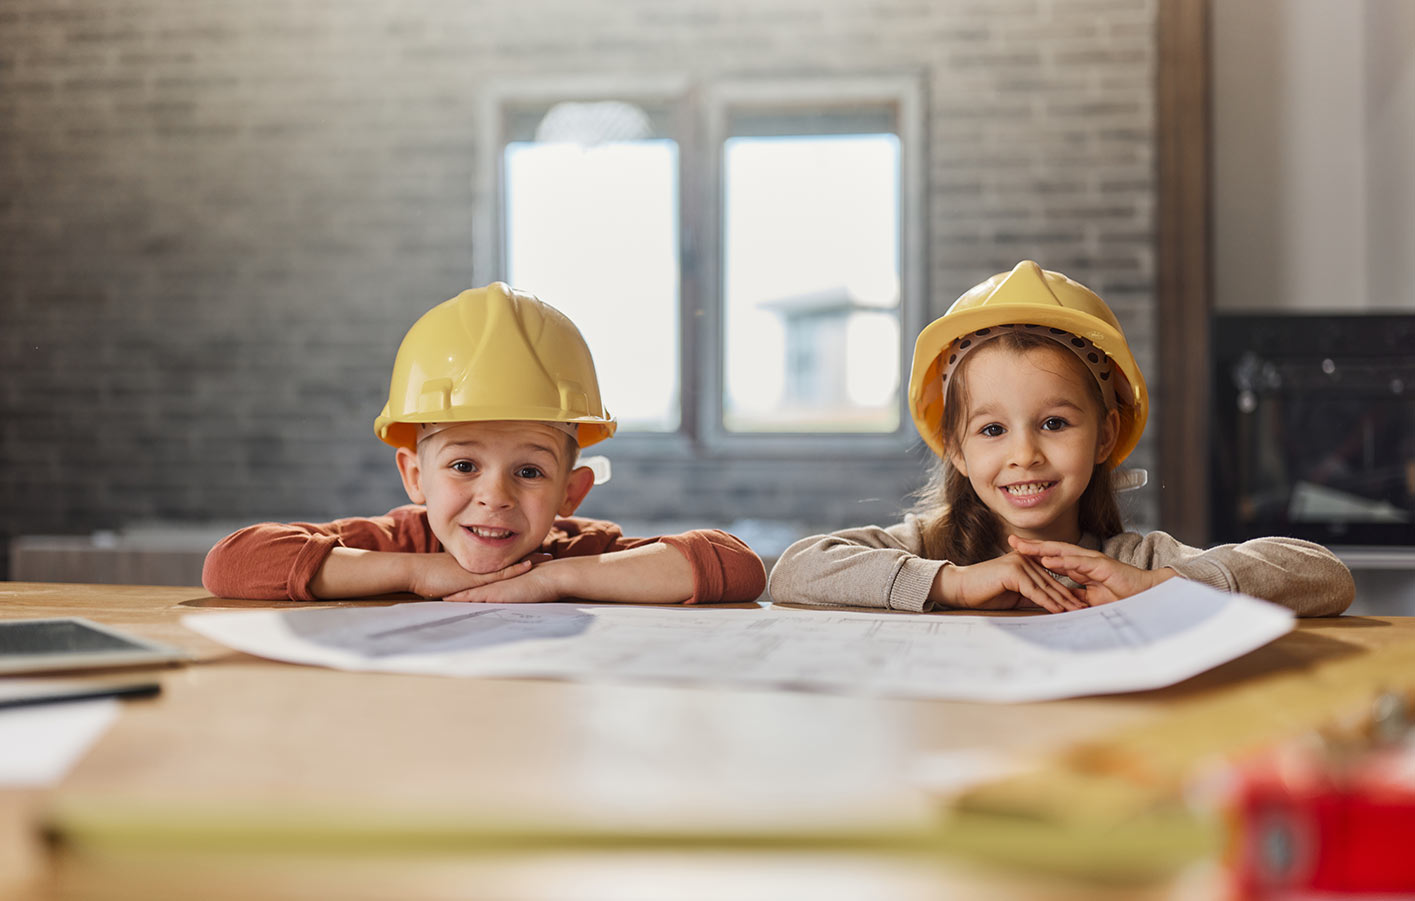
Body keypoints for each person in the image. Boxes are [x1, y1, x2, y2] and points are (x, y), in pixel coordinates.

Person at [768, 260, 1353, 616]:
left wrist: (1160, 586)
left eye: (1054, 423)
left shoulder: (1130, 562)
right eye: (992, 429)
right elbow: (794, 571)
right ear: (956, 448)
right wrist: (954, 583)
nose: (1025, 454)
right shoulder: (927, 547)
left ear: (1106, 436)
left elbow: (1324, 575)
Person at [203, 282, 767, 604]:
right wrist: (415, 573)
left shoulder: (575, 551)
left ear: (572, 491)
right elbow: (231, 564)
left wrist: (553, 579)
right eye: (465, 464)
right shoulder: (397, 543)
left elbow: (735, 566)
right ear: (415, 477)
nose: (493, 496)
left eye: (528, 472)